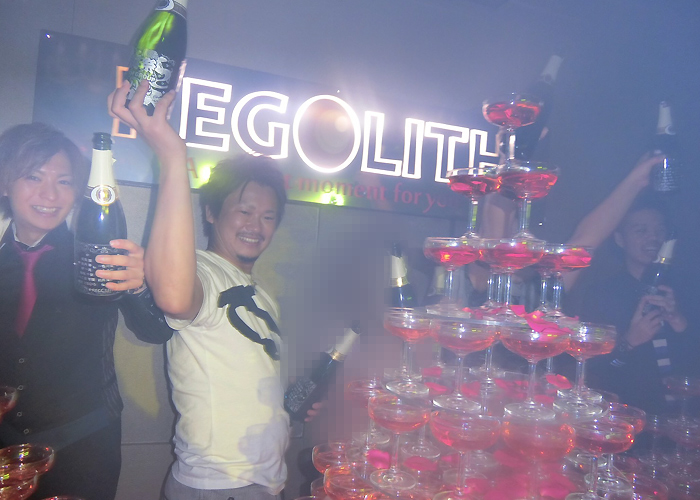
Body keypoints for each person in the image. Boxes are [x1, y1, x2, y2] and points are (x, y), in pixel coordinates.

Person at [108, 80, 320, 500]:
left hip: (264, 480)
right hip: (218, 485)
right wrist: (173, 158)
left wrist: (287, 400)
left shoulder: (259, 291)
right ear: (210, 212)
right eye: (244, 211)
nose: (256, 225)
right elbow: (174, 295)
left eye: (268, 217)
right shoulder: (203, 270)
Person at [0, 122, 173, 500]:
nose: (50, 194)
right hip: (6, 450)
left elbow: (157, 331)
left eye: (64, 181)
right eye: (33, 177)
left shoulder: (97, 254)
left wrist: (139, 285)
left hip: (84, 446)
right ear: (5, 183)